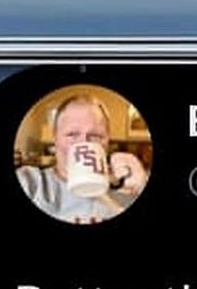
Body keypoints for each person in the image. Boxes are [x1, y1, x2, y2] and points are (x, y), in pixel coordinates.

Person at [16, 92, 149, 225]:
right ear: (55, 139)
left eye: (95, 135)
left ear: (107, 141)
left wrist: (142, 187)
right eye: (72, 134)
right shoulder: (31, 183)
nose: (83, 142)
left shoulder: (129, 187)